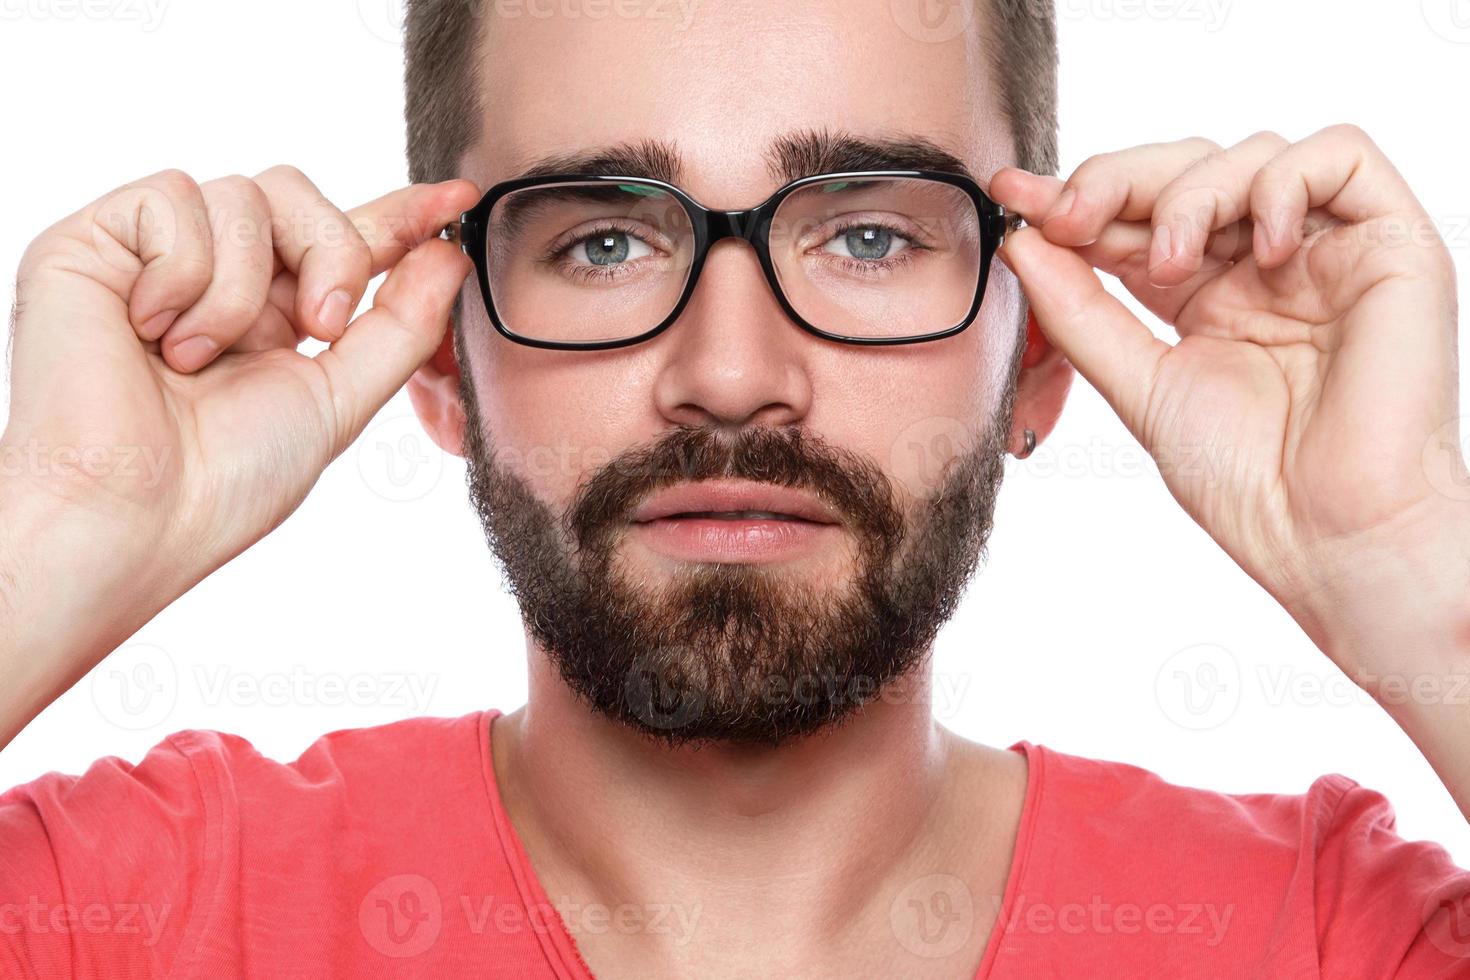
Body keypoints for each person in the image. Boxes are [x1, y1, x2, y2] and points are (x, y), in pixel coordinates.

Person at [3, 0, 1468, 975]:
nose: (727, 372)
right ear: (436, 360)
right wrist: (59, 521)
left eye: (870, 239)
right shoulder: (129, 913)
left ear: (1040, 355)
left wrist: (1410, 567)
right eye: (600, 243)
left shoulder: (1324, 936)